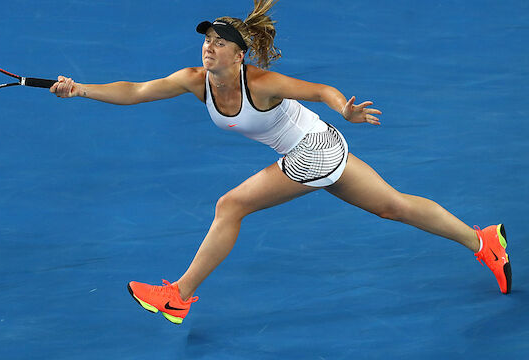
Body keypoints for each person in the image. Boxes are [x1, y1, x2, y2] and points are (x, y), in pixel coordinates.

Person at [50, 0, 511, 325]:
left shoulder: (263, 82)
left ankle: (178, 297)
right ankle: (484, 240)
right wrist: (81, 89)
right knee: (395, 207)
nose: (208, 47)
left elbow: (318, 91)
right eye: (206, 40)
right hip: (315, 149)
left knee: (231, 205)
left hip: (317, 147)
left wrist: (344, 109)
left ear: (240, 53)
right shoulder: (194, 80)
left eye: (219, 42)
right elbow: (134, 91)